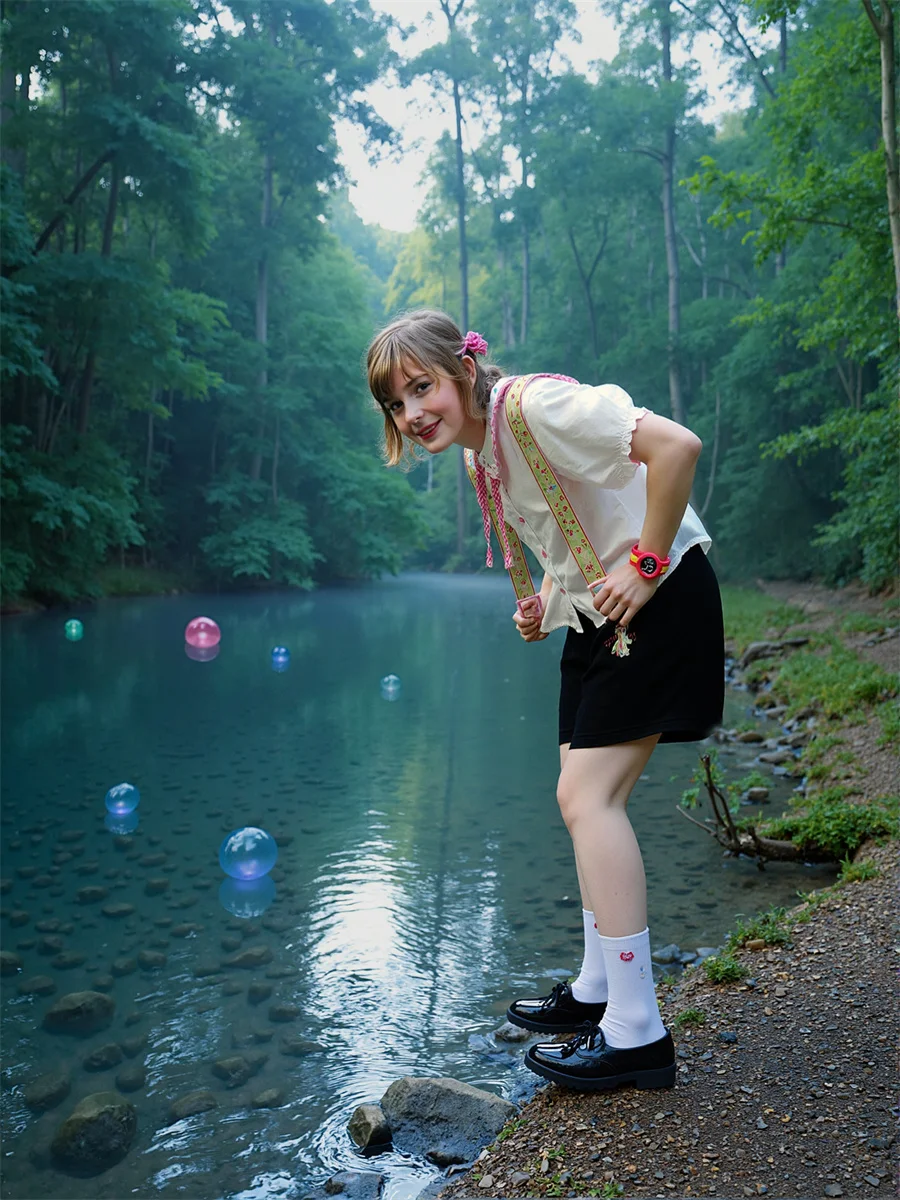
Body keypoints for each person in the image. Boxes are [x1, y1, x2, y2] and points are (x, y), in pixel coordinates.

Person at [366, 309, 724, 1092]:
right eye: (396, 404)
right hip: (598, 614)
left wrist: (648, 562)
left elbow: (676, 448)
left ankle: (637, 1033)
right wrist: (547, 606)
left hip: (654, 596)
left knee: (587, 798)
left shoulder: (533, 408)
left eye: (421, 387)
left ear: (462, 370)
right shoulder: (481, 458)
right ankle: (601, 985)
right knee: (580, 797)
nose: (413, 412)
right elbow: (572, 534)